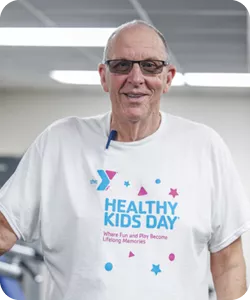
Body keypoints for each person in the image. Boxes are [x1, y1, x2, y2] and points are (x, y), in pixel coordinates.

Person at [0, 19, 250, 300]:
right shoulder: (59, 142)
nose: (136, 77)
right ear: (103, 76)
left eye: (150, 66)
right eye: (121, 65)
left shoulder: (205, 147)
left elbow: (229, 261)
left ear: (167, 78)